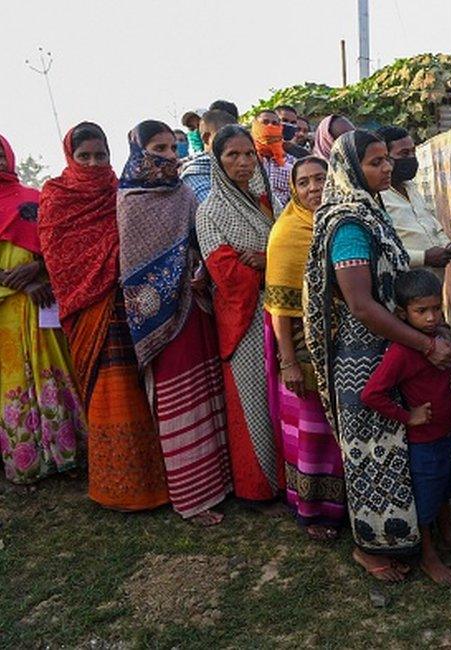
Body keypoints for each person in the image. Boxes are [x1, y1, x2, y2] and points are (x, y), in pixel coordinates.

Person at [304, 129, 451, 582]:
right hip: (361, 356)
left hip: (388, 346)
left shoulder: (371, 211)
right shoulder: (349, 223)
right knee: (371, 455)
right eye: (374, 162)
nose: (386, 168)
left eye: (385, 160)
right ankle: (369, 549)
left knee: (399, 452)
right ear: (350, 169)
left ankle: (415, 535)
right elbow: (360, 304)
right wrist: (426, 344)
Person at [39, 122, 169, 511]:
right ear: (70, 157)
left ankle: (156, 481)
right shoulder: (56, 196)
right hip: (90, 309)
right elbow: (58, 256)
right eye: (85, 157)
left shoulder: (123, 190)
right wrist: (103, 268)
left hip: (130, 304)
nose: (94, 164)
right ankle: (117, 486)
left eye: (101, 156)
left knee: (141, 388)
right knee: (109, 393)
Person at [116, 120, 233, 526]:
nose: (169, 156)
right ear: (137, 150)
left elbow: (203, 238)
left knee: (207, 391)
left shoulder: (184, 193)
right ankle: (191, 497)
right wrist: (182, 272)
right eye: (159, 148)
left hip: (198, 308)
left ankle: (220, 482)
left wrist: (201, 266)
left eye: (172, 147)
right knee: (179, 403)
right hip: (163, 319)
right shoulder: (131, 200)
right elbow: (134, 270)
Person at [361, 269, 451, 585]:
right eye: (421, 311)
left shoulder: (438, 339)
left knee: (445, 489)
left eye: (436, 308)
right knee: (425, 501)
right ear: (402, 314)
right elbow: (371, 394)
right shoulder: (402, 352)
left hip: (445, 433)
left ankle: (448, 536)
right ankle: (428, 555)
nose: (431, 317)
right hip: (422, 441)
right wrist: (407, 416)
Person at [195, 125, 283, 503]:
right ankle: (258, 486)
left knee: (282, 398)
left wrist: (266, 261)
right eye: (232, 155)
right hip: (245, 322)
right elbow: (229, 276)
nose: (244, 162)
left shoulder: (267, 202)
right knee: (253, 401)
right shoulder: (210, 211)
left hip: (280, 311)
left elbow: (292, 250)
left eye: (249, 154)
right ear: (217, 161)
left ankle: (292, 477)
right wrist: (268, 267)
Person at [265, 156, 346, 541]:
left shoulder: (339, 220)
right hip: (303, 349)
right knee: (313, 432)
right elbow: (279, 307)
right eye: (304, 182)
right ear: (293, 189)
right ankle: (312, 512)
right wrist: (289, 363)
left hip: (340, 342)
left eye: (321, 179)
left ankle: (341, 505)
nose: (314, 188)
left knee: (337, 432)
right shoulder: (288, 232)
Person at [0, 133, 85, 485]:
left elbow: (60, 246)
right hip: (5, 311)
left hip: (43, 305)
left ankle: (70, 453)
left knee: (54, 371)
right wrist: (13, 280)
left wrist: (39, 271)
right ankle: (26, 461)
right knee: (12, 382)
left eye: (0, 155)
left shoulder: (36, 200)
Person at [376, 125, 451, 280]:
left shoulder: (411, 188)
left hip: (432, 282)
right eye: (404, 154)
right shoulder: (377, 198)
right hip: (404, 286)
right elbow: (381, 250)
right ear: (385, 158)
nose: (411, 158)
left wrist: (448, 246)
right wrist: (424, 257)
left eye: (413, 152)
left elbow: (432, 224)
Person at [180, 109, 237, 203]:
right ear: (207, 137)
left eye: (199, 125)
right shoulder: (196, 172)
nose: (197, 131)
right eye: (191, 128)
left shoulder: (246, 163)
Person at [251, 110, 296, 208]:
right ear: (255, 125)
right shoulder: (248, 158)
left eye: (275, 123)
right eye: (265, 122)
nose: (270, 126)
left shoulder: (291, 162)